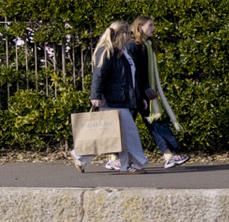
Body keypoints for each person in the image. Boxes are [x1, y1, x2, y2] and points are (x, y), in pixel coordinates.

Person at [72, 21, 148, 174]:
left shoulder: (122, 51)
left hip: (121, 99)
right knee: (128, 133)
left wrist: (139, 97)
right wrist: (95, 95)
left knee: (115, 134)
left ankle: (80, 155)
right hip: (113, 99)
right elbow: (99, 74)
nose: (130, 36)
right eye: (128, 33)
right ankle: (133, 164)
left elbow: (131, 78)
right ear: (122, 34)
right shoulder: (107, 51)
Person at [128, 15, 188, 169]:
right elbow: (135, 72)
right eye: (150, 25)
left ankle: (168, 156)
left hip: (142, 92)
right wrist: (144, 89)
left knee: (154, 123)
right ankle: (103, 157)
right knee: (126, 127)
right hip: (135, 94)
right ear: (140, 27)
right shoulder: (133, 46)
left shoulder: (145, 45)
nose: (153, 29)